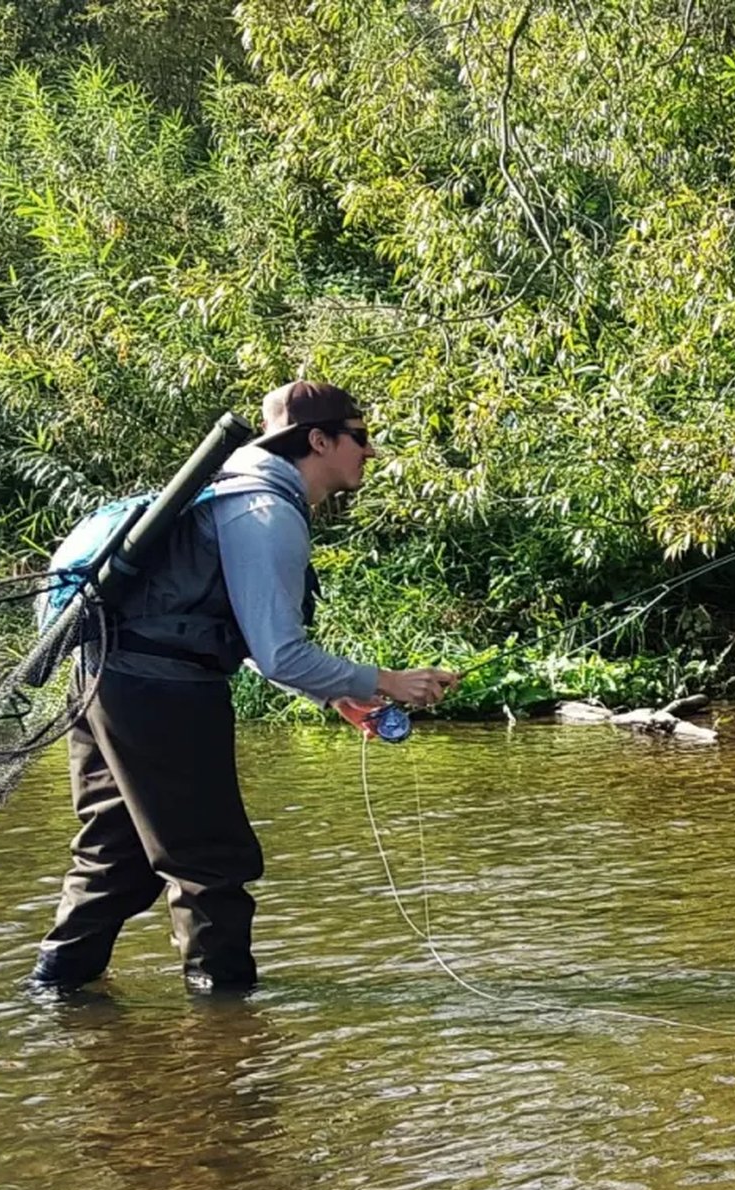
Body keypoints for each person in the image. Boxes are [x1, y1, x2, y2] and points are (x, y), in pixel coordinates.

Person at [31, 381, 458, 994]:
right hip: (163, 697)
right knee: (211, 864)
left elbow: (221, 630)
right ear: (319, 440)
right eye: (360, 437)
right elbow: (280, 652)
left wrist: (336, 694)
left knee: (116, 862)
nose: (369, 452)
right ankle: (227, 1020)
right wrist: (387, 681)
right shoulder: (265, 511)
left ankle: (52, 993)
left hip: (104, 683)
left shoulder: (227, 496)